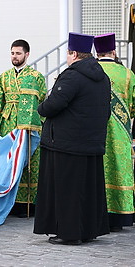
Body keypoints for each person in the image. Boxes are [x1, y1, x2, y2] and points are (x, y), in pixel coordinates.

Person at [33, 32, 111, 245]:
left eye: (68, 54)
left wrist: (42, 105)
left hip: (66, 145)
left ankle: (69, 233)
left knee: (67, 191)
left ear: (74, 53)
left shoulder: (72, 75)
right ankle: (87, 230)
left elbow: (52, 105)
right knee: (87, 191)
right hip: (91, 143)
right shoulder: (102, 77)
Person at [0, 39, 47, 217]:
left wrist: (38, 123)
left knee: (28, 163)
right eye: (12, 53)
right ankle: (11, 201)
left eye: (18, 53)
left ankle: (29, 203)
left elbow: (43, 100)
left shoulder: (36, 76)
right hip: (8, 125)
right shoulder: (5, 76)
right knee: (8, 161)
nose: (14, 57)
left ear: (27, 55)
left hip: (29, 127)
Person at [94, 33, 135, 232]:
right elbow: (134, 106)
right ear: (114, 51)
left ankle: (98, 213)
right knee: (119, 169)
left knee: (97, 170)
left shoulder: (91, 71)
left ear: (96, 52)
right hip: (120, 133)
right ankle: (120, 216)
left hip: (95, 129)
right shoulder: (127, 74)